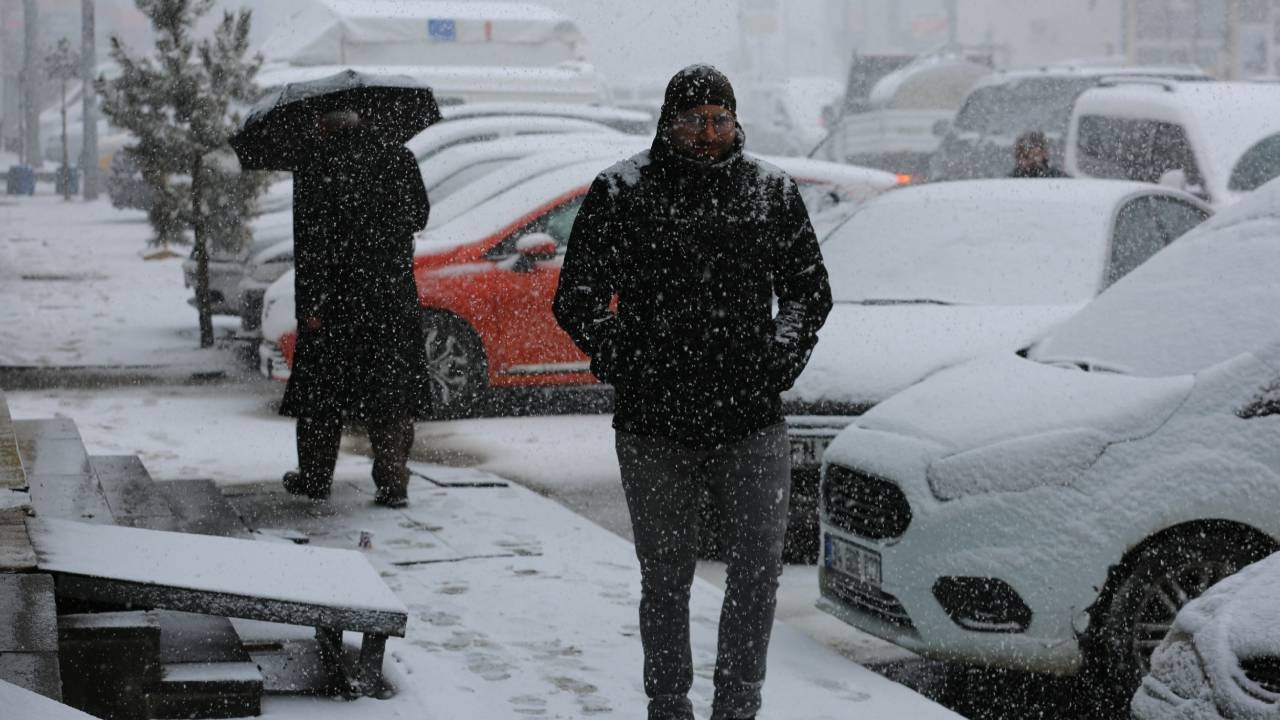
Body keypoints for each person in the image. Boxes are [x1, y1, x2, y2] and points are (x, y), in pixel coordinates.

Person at [553, 65, 832, 720]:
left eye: (718, 120)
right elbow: (577, 299)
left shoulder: (769, 192)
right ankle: (668, 703)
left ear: (735, 121)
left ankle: (739, 704)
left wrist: (778, 359)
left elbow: (807, 293)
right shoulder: (623, 192)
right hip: (655, 424)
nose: (707, 134)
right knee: (667, 577)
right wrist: (628, 358)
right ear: (667, 125)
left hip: (750, 419)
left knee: (757, 575)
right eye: (693, 121)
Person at [278, 107, 434, 508]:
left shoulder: (315, 162)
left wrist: (311, 302)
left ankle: (315, 477)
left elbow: (308, 240)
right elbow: (419, 215)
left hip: (334, 300)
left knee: (321, 397)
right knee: (390, 393)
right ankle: (392, 481)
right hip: (389, 296)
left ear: (326, 121)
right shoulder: (397, 156)